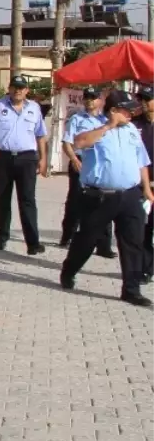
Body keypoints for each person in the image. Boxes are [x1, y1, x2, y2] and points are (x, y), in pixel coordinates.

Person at [59, 90, 153, 307]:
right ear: (113, 110)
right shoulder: (96, 128)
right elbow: (79, 143)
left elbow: (142, 162)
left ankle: (131, 289)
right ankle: (69, 269)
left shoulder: (131, 130)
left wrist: (146, 189)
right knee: (87, 240)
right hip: (100, 197)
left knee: (133, 242)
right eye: (126, 110)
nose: (131, 113)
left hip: (130, 196)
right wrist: (108, 126)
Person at [0, 75, 48, 255]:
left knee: (27, 200)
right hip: (3, 158)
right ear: (9, 89)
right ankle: (2, 237)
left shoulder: (34, 108)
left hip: (27, 158)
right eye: (14, 87)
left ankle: (33, 243)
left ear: (27, 90)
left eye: (21, 87)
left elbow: (40, 135)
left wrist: (43, 159)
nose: (18, 90)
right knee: (3, 198)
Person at [59, 88, 114, 256]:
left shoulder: (106, 121)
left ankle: (104, 245)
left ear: (100, 100)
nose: (90, 101)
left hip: (100, 163)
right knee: (76, 200)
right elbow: (67, 142)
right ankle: (68, 236)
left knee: (105, 201)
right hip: (81, 162)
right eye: (87, 98)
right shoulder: (76, 119)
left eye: (93, 97)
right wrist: (74, 160)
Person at [134, 87, 154, 284]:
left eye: (149, 99)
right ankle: (145, 269)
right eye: (142, 100)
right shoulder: (135, 125)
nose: (145, 103)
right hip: (142, 186)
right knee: (144, 229)